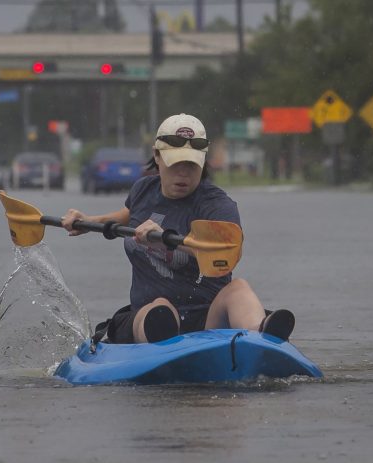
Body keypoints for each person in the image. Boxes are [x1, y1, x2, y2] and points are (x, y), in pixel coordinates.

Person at [61, 113, 295, 344]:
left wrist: (163, 239)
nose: (183, 173)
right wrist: (87, 221)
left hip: (208, 319)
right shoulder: (143, 190)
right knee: (160, 307)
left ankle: (261, 334)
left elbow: (226, 253)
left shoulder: (217, 205)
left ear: (202, 162)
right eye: (175, 163)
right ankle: (162, 339)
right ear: (157, 156)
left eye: (191, 165)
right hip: (151, 316)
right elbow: (126, 217)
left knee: (239, 288)